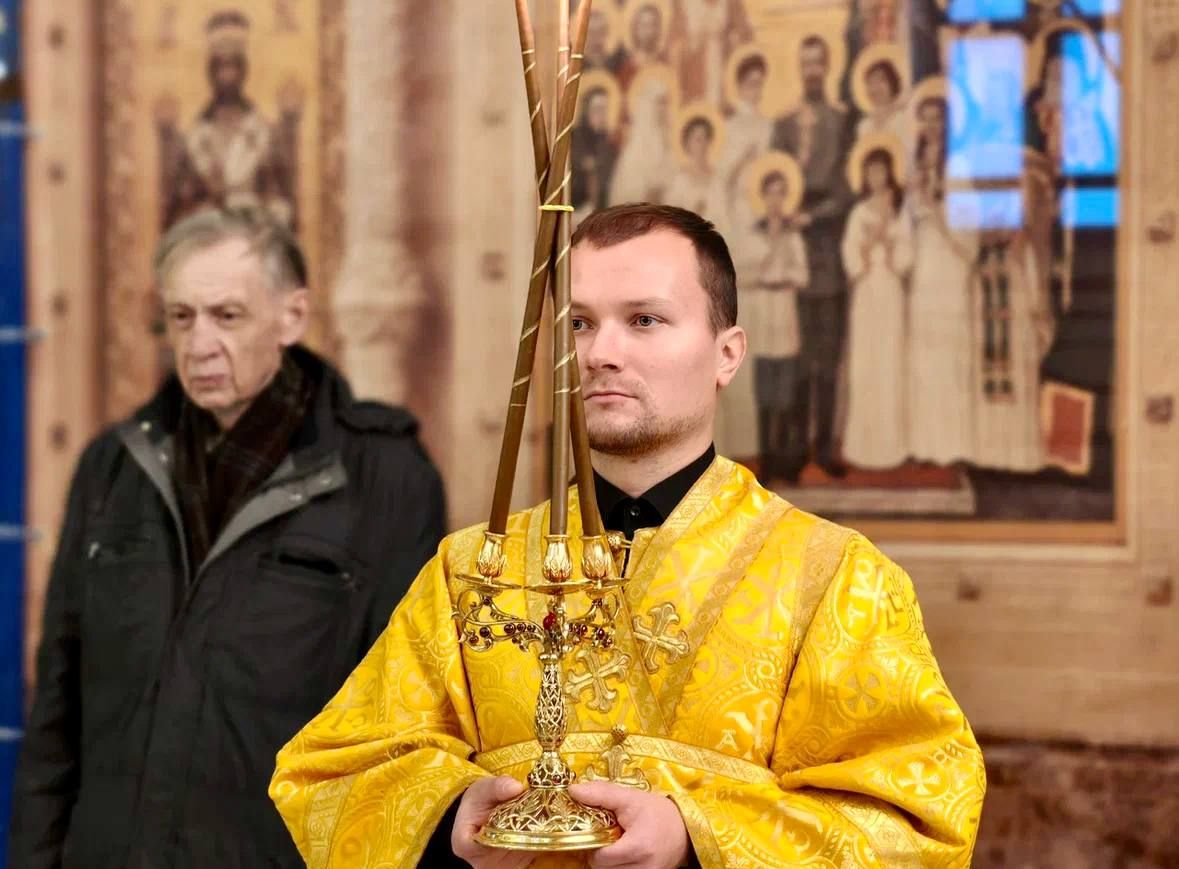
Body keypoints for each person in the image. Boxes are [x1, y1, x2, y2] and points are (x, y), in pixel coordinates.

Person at [270, 204, 986, 868]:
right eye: (580, 324)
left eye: (644, 320)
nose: (599, 352)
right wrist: (451, 813)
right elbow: (331, 771)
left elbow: (917, 822)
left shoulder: (833, 577)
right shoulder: (470, 571)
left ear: (727, 354)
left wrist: (693, 837)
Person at [10, 207, 446, 869]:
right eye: (181, 317)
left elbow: (404, 733)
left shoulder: (385, 477)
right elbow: (57, 713)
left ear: (292, 317)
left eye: (227, 316)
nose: (199, 343)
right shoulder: (113, 465)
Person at [770, 35, 854, 478]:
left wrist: (812, 217)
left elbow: (847, 190)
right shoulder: (783, 125)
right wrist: (787, 215)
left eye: (819, 63)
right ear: (799, 68)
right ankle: (795, 448)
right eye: (806, 63)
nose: (813, 71)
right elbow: (773, 181)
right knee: (798, 356)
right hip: (792, 257)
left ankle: (824, 448)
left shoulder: (841, 122)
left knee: (828, 355)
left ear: (828, 66)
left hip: (829, 251)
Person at [155, 11, 301, 230]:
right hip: (206, 240)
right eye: (221, 67)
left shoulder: (265, 136)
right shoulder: (194, 139)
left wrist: (255, 212)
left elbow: (285, 205)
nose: (227, 75)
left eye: (233, 66)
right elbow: (174, 214)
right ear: (210, 72)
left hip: (254, 240)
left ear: (243, 71)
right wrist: (203, 210)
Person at [840, 144, 913, 469]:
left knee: (889, 361)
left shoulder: (900, 211)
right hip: (867, 290)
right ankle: (863, 447)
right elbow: (852, 259)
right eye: (870, 171)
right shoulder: (859, 213)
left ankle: (891, 448)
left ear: (889, 174)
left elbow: (907, 258)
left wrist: (890, 243)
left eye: (881, 171)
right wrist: (870, 244)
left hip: (891, 291)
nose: (876, 177)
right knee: (866, 363)